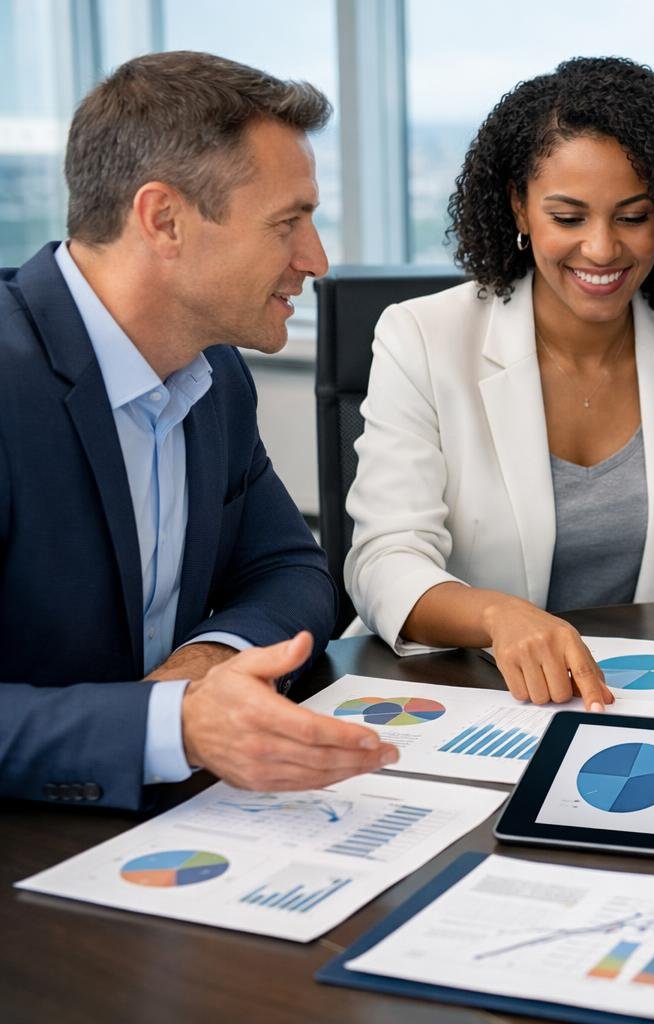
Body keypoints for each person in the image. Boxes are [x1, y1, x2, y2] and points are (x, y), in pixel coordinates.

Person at [0, 51, 399, 810]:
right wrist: (170, 725)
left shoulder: (213, 375)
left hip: (169, 824)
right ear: (165, 220)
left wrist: (210, 660)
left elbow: (292, 570)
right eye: (288, 224)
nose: (314, 260)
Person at [345, 57, 654, 709]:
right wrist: (496, 618)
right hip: (460, 683)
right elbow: (384, 562)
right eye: (568, 218)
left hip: (638, 690)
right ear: (519, 205)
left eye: (633, 216)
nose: (601, 249)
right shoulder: (422, 336)